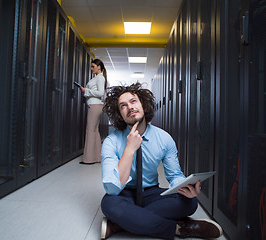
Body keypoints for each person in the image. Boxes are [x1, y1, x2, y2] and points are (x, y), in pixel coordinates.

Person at [100, 82, 223, 239]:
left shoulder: (164, 138)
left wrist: (186, 186)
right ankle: (181, 228)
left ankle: (120, 224)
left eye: (133, 101)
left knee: (189, 202)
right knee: (109, 204)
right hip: (124, 194)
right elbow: (112, 188)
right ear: (120, 114)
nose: (130, 107)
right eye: (123, 105)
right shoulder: (111, 141)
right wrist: (129, 149)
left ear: (144, 106)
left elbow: (174, 175)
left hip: (151, 192)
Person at [77, 59, 107, 164]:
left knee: (90, 130)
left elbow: (100, 93)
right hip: (96, 105)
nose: (91, 69)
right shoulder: (97, 78)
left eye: (93, 66)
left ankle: (88, 159)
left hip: (95, 106)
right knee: (95, 131)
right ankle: (98, 157)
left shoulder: (100, 78)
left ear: (99, 67)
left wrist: (86, 91)